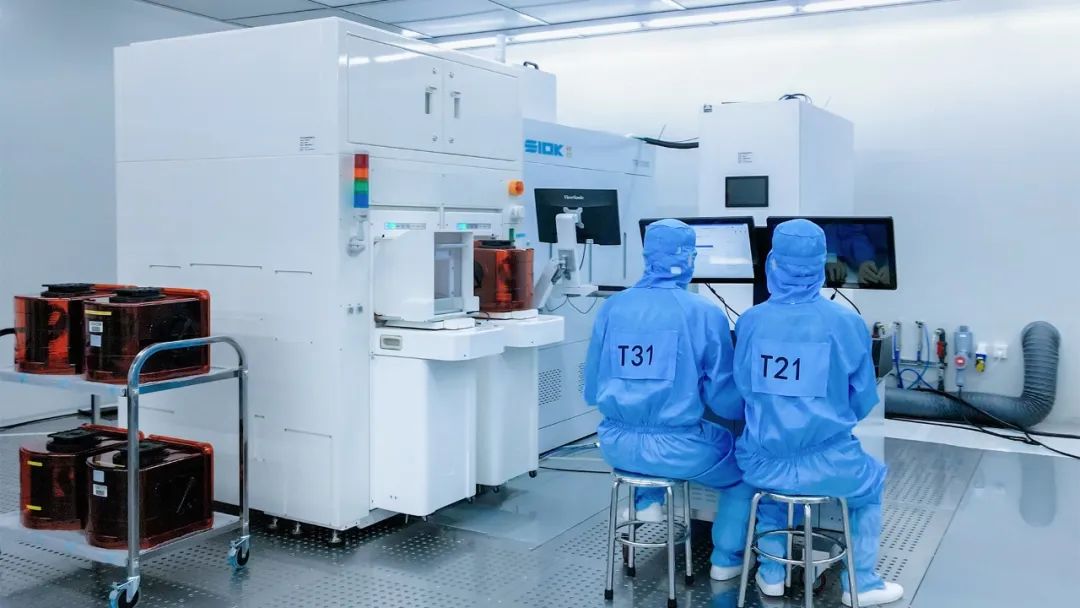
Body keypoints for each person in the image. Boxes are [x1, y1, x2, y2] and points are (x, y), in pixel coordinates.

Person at [724, 219, 903, 606]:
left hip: (763, 461)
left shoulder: (751, 321)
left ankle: (772, 573)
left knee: (770, 495)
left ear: (772, 262)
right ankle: (862, 582)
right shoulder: (846, 322)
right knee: (871, 486)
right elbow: (862, 400)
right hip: (829, 464)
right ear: (823, 265)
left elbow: (743, 389)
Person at [583, 219, 754, 581]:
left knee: (650, 442)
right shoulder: (703, 313)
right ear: (689, 258)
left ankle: (648, 500)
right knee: (745, 474)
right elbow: (724, 401)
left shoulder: (612, 308)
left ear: (647, 256)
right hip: (678, 450)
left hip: (615, 445)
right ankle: (726, 560)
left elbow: (592, 389)